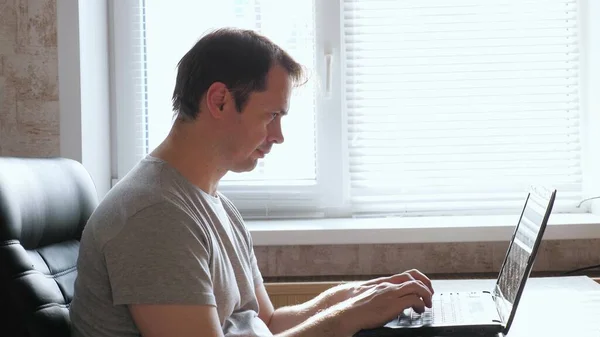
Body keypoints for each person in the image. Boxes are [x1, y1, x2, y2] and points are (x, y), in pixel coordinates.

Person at [69, 28, 435, 337]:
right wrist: (349, 317)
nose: (278, 136)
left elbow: (267, 323)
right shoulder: (154, 215)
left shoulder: (212, 202)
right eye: (271, 115)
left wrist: (355, 297)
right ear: (219, 100)